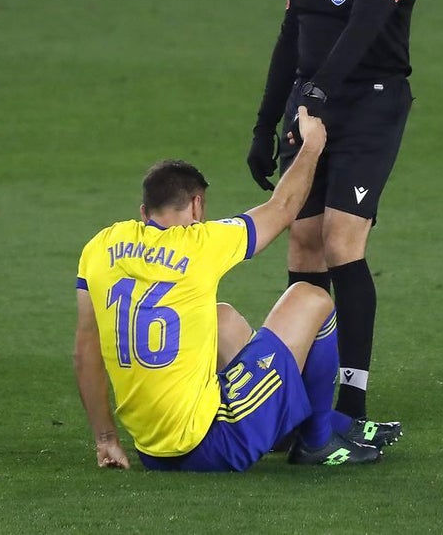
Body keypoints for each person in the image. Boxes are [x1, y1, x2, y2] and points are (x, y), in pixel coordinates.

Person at [73, 108, 384, 471]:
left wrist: (106, 438)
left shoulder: (102, 247)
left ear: (145, 211)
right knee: (310, 297)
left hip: (152, 452)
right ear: (197, 204)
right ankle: (317, 441)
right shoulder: (200, 241)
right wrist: (312, 146)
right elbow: (282, 208)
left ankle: (294, 423)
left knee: (219, 318)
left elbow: (85, 351)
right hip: (213, 446)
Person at [246, 0, 417, 443]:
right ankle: (296, 398)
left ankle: (350, 402)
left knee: (344, 243)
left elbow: (369, 24)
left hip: (369, 103)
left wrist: (318, 94)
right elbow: (294, 32)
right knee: (302, 247)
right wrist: (268, 119)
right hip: (308, 105)